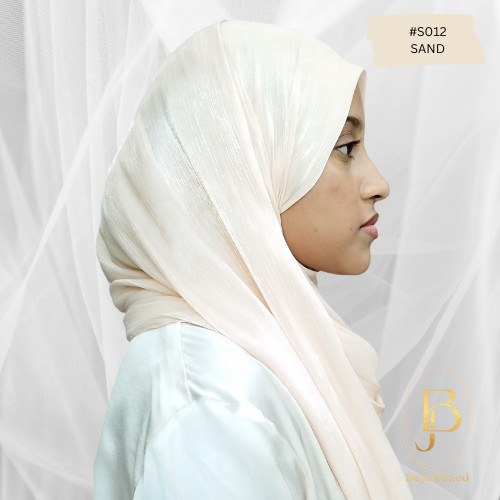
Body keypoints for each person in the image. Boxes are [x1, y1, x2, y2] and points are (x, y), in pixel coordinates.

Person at [93, 19, 413, 499]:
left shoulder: (248, 362)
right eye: (346, 148)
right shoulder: (213, 400)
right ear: (243, 168)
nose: (378, 184)